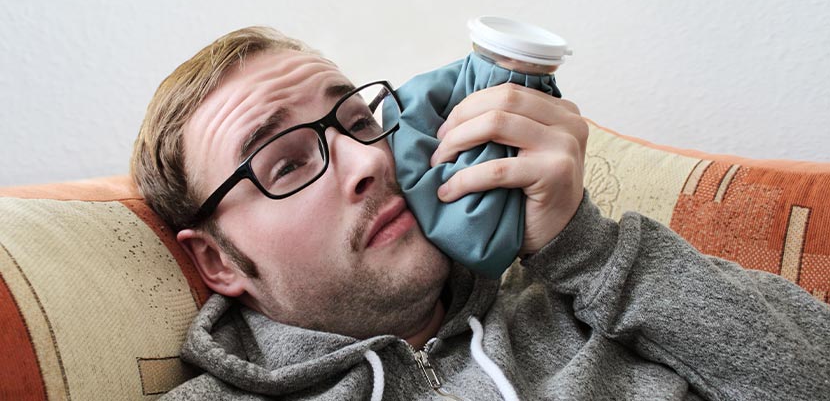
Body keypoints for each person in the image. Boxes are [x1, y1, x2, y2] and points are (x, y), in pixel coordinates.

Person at [131, 26, 830, 400]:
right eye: (287, 161)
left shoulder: (593, 292)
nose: (369, 161)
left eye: (355, 119)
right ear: (218, 261)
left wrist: (587, 251)